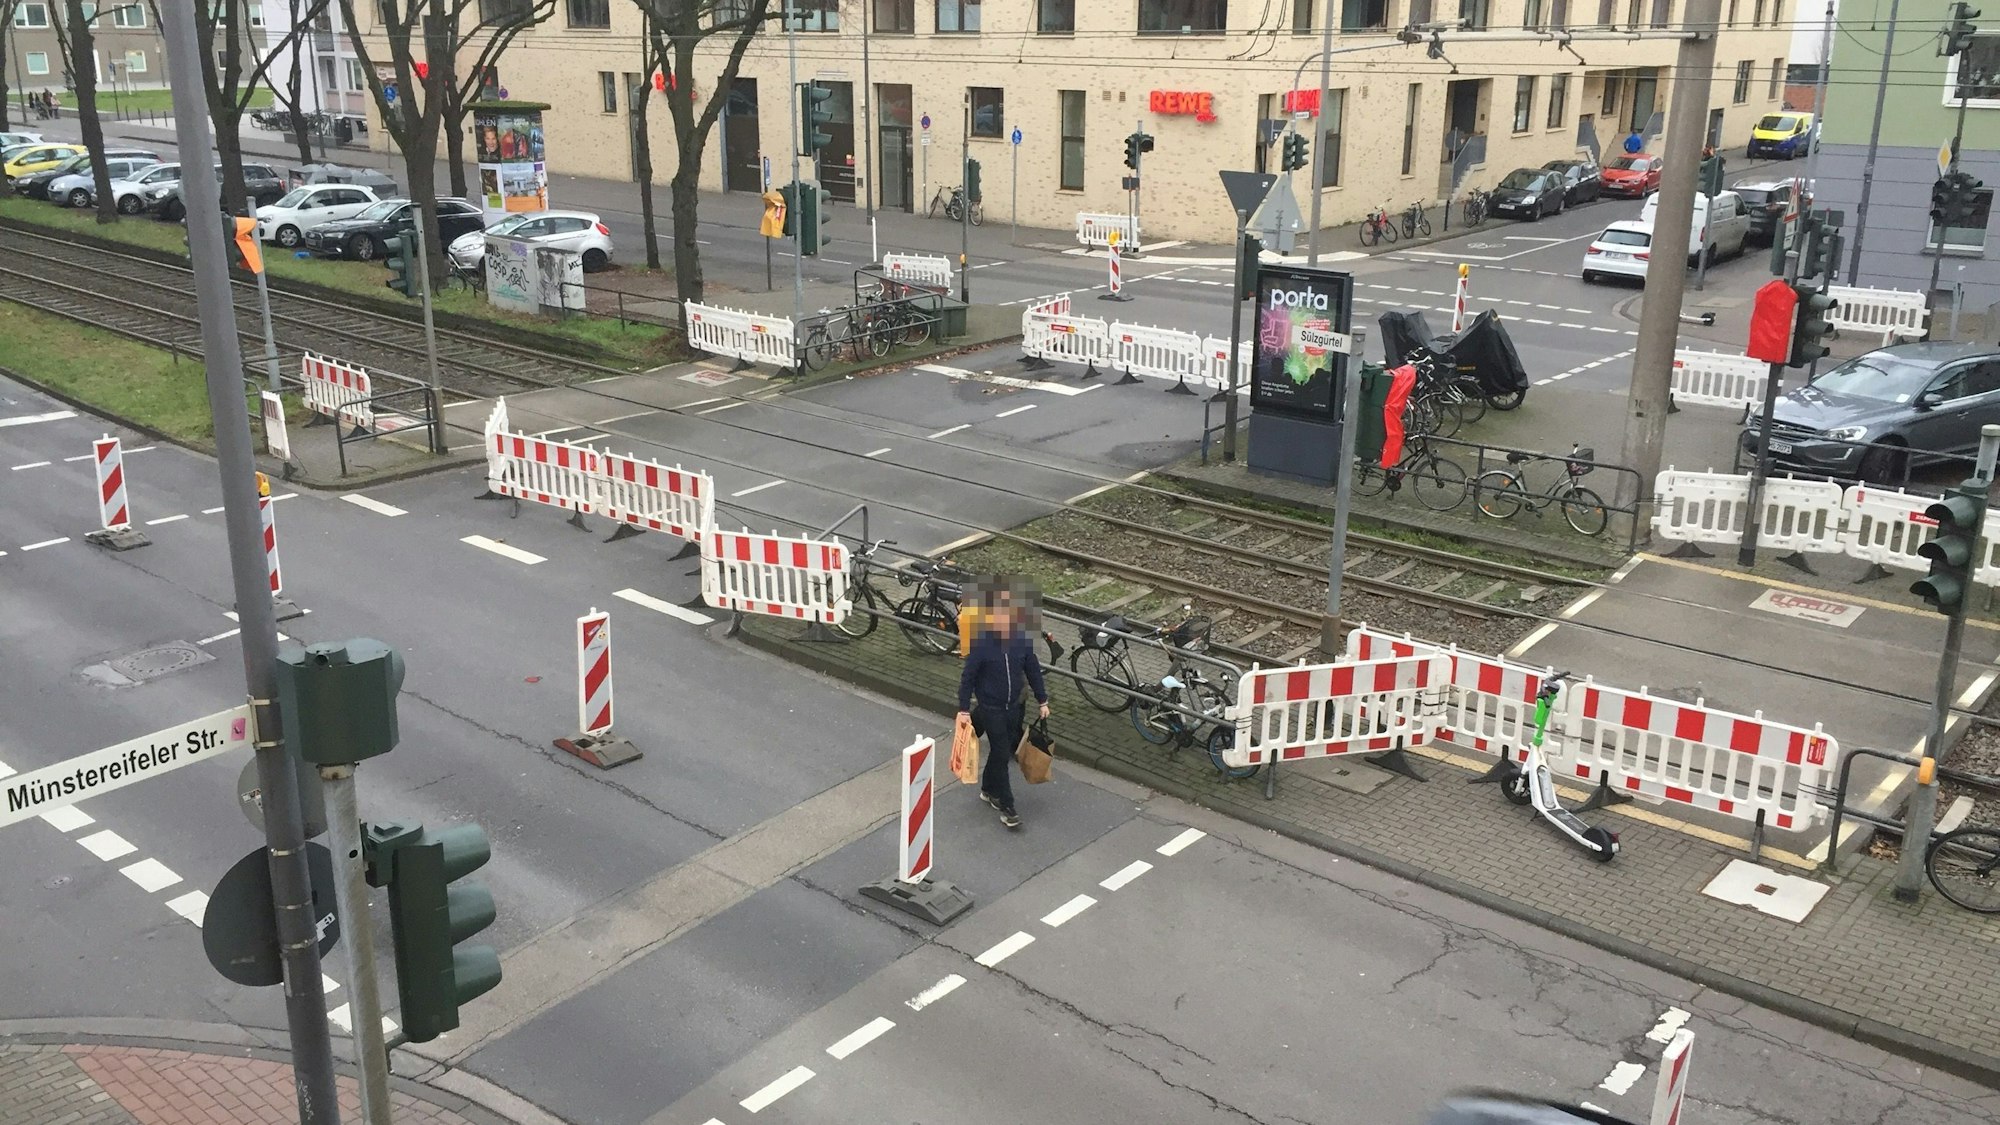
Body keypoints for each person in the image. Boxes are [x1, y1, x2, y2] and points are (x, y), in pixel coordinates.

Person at [956, 592, 1048, 830]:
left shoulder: (1021, 643)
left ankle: (988, 789)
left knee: (1002, 751)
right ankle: (1008, 807)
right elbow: (968, 678)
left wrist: (1042, 700)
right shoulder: (982, 646)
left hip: (1013, 707)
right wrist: (964, 709)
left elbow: (1033, 670)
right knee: (1001, 752)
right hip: (991, 707)